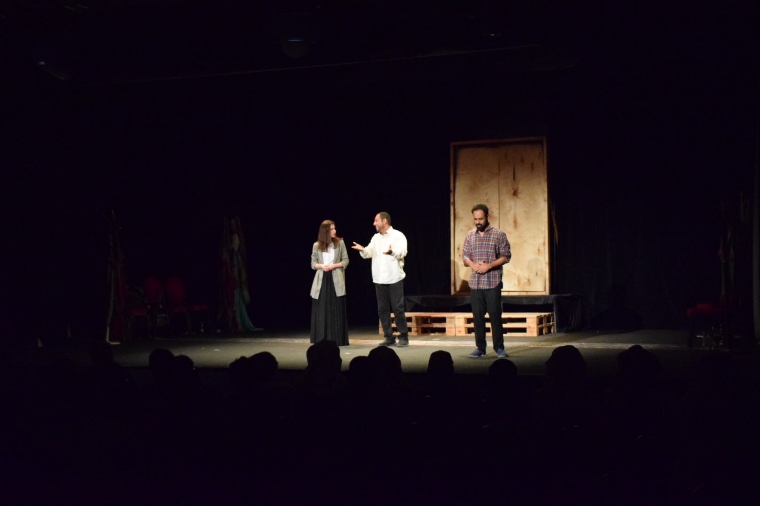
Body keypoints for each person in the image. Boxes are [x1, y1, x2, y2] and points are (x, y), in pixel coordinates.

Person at [352, 212, 409, 347]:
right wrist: (362, 250)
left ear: (384, 221)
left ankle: (403, 336)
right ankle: (389, 337)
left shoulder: (398, 235)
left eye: (376, 221)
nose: (374, 223)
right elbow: (369, 253)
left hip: (394, 277)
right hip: (379, 279)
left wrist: (392, 252)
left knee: (398, 308)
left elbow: (403, 252)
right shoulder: (376, 238)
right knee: (382, 310)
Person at [462, 204, 511, 358]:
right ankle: (480, 348)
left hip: (492, 282)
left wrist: (489, 265)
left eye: (481, 219)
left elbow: (506, 256)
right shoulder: (470, 235)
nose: (478, 222)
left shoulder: (498, 234)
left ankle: (499, 348)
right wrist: (473, 264)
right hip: (476, 283)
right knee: (477, 316)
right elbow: (465, 256)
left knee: (495, 315)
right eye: (475, 219)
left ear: (487, 217)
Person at [310, 220, 350, 346]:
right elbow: (313, 263)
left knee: (335, 308)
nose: (335, 231)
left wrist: (334, 265)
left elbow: (346, 260)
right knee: (322, 309)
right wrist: (321, 266)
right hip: (322, 279)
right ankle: (321, 339)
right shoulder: (316, 245)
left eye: (334, 228)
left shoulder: (340, 243)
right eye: (332, 229)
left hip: (336, 278)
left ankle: (337, 338)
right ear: (326, 231)